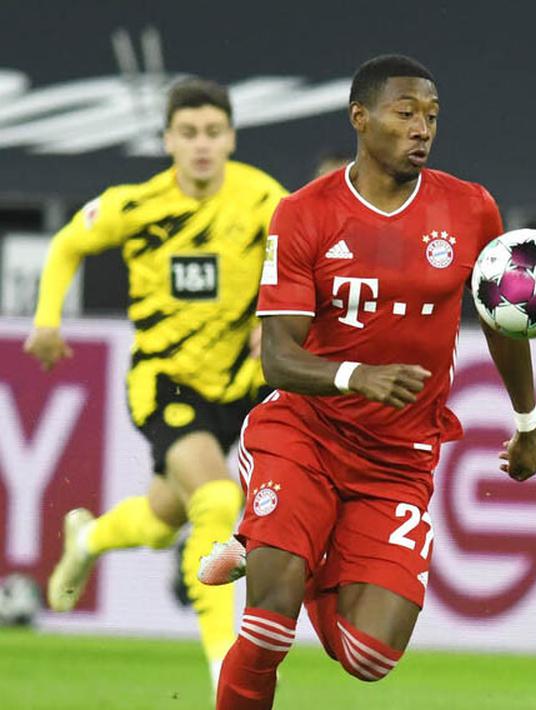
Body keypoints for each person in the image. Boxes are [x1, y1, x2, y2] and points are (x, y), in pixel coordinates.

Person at [209, 54, 536, 710]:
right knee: (268, 625)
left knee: (368, 657)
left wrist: (527, 422)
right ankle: (286, 544)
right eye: (405, 114)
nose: (422, 128)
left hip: (398, 457)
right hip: (305, 435)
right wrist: (352, 375)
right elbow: (276, 358)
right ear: (360, 119)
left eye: (432, 116)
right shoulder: (305, 214)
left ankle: (297, 549)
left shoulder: (470, 208)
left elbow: (502, 322)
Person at [24, 77, 286, 690]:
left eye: (213, 133)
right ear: (168, 139)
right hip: (168, 386)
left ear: (231, 138)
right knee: (220, 501)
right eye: (189, 133)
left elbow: (306, 254)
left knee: (166, 516)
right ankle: (226, 665)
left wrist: (273, 315)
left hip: (243, 385)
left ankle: (87, 536)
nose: (201, 146)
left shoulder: (264, 198)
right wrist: (46, 321)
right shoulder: (134, 204)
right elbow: (65, 245)